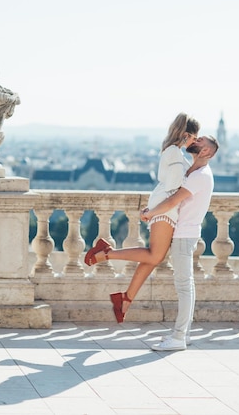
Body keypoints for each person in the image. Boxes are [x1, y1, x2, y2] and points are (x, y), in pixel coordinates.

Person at [84, 113, 200, 323]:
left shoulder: (172, 152)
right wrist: (154, 211)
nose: (195, 142)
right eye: (194, 137)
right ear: (185, 135)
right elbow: (174, 189)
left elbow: (167, 186)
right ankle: (104, 254)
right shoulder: (174, 154)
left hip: (164, 208)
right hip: (166, 210)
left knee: (152, 256)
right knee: (155, 256)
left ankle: (125, 300)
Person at [144, 135, 219, 350]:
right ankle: (182, 334)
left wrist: (150, 213)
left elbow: (173, 200)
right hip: (184, 232)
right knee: (187, 286)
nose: (195, 141)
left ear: (206, 152)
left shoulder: (200, 176)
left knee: (184, 286)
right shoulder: (194, 171)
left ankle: (178, 338)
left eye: (200, 141)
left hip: (184, 234)